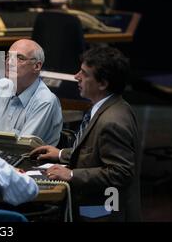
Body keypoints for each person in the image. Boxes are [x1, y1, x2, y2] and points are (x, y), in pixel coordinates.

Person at [30, 46, 141, 221]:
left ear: (103, 83)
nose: (76, 77)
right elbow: (95, 152)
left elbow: (120, 172)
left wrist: (71, 174)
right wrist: (60, 154)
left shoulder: (112, 121)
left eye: (84, 73)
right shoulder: (111, 105)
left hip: (103, 212)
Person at [0, 39, 63, 146]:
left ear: (37, 66)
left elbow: (20, 148)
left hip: (25, 161)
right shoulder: (0, 87)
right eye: (8, 57)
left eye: (19, 58)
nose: (9, 62)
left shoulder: (45, 102)